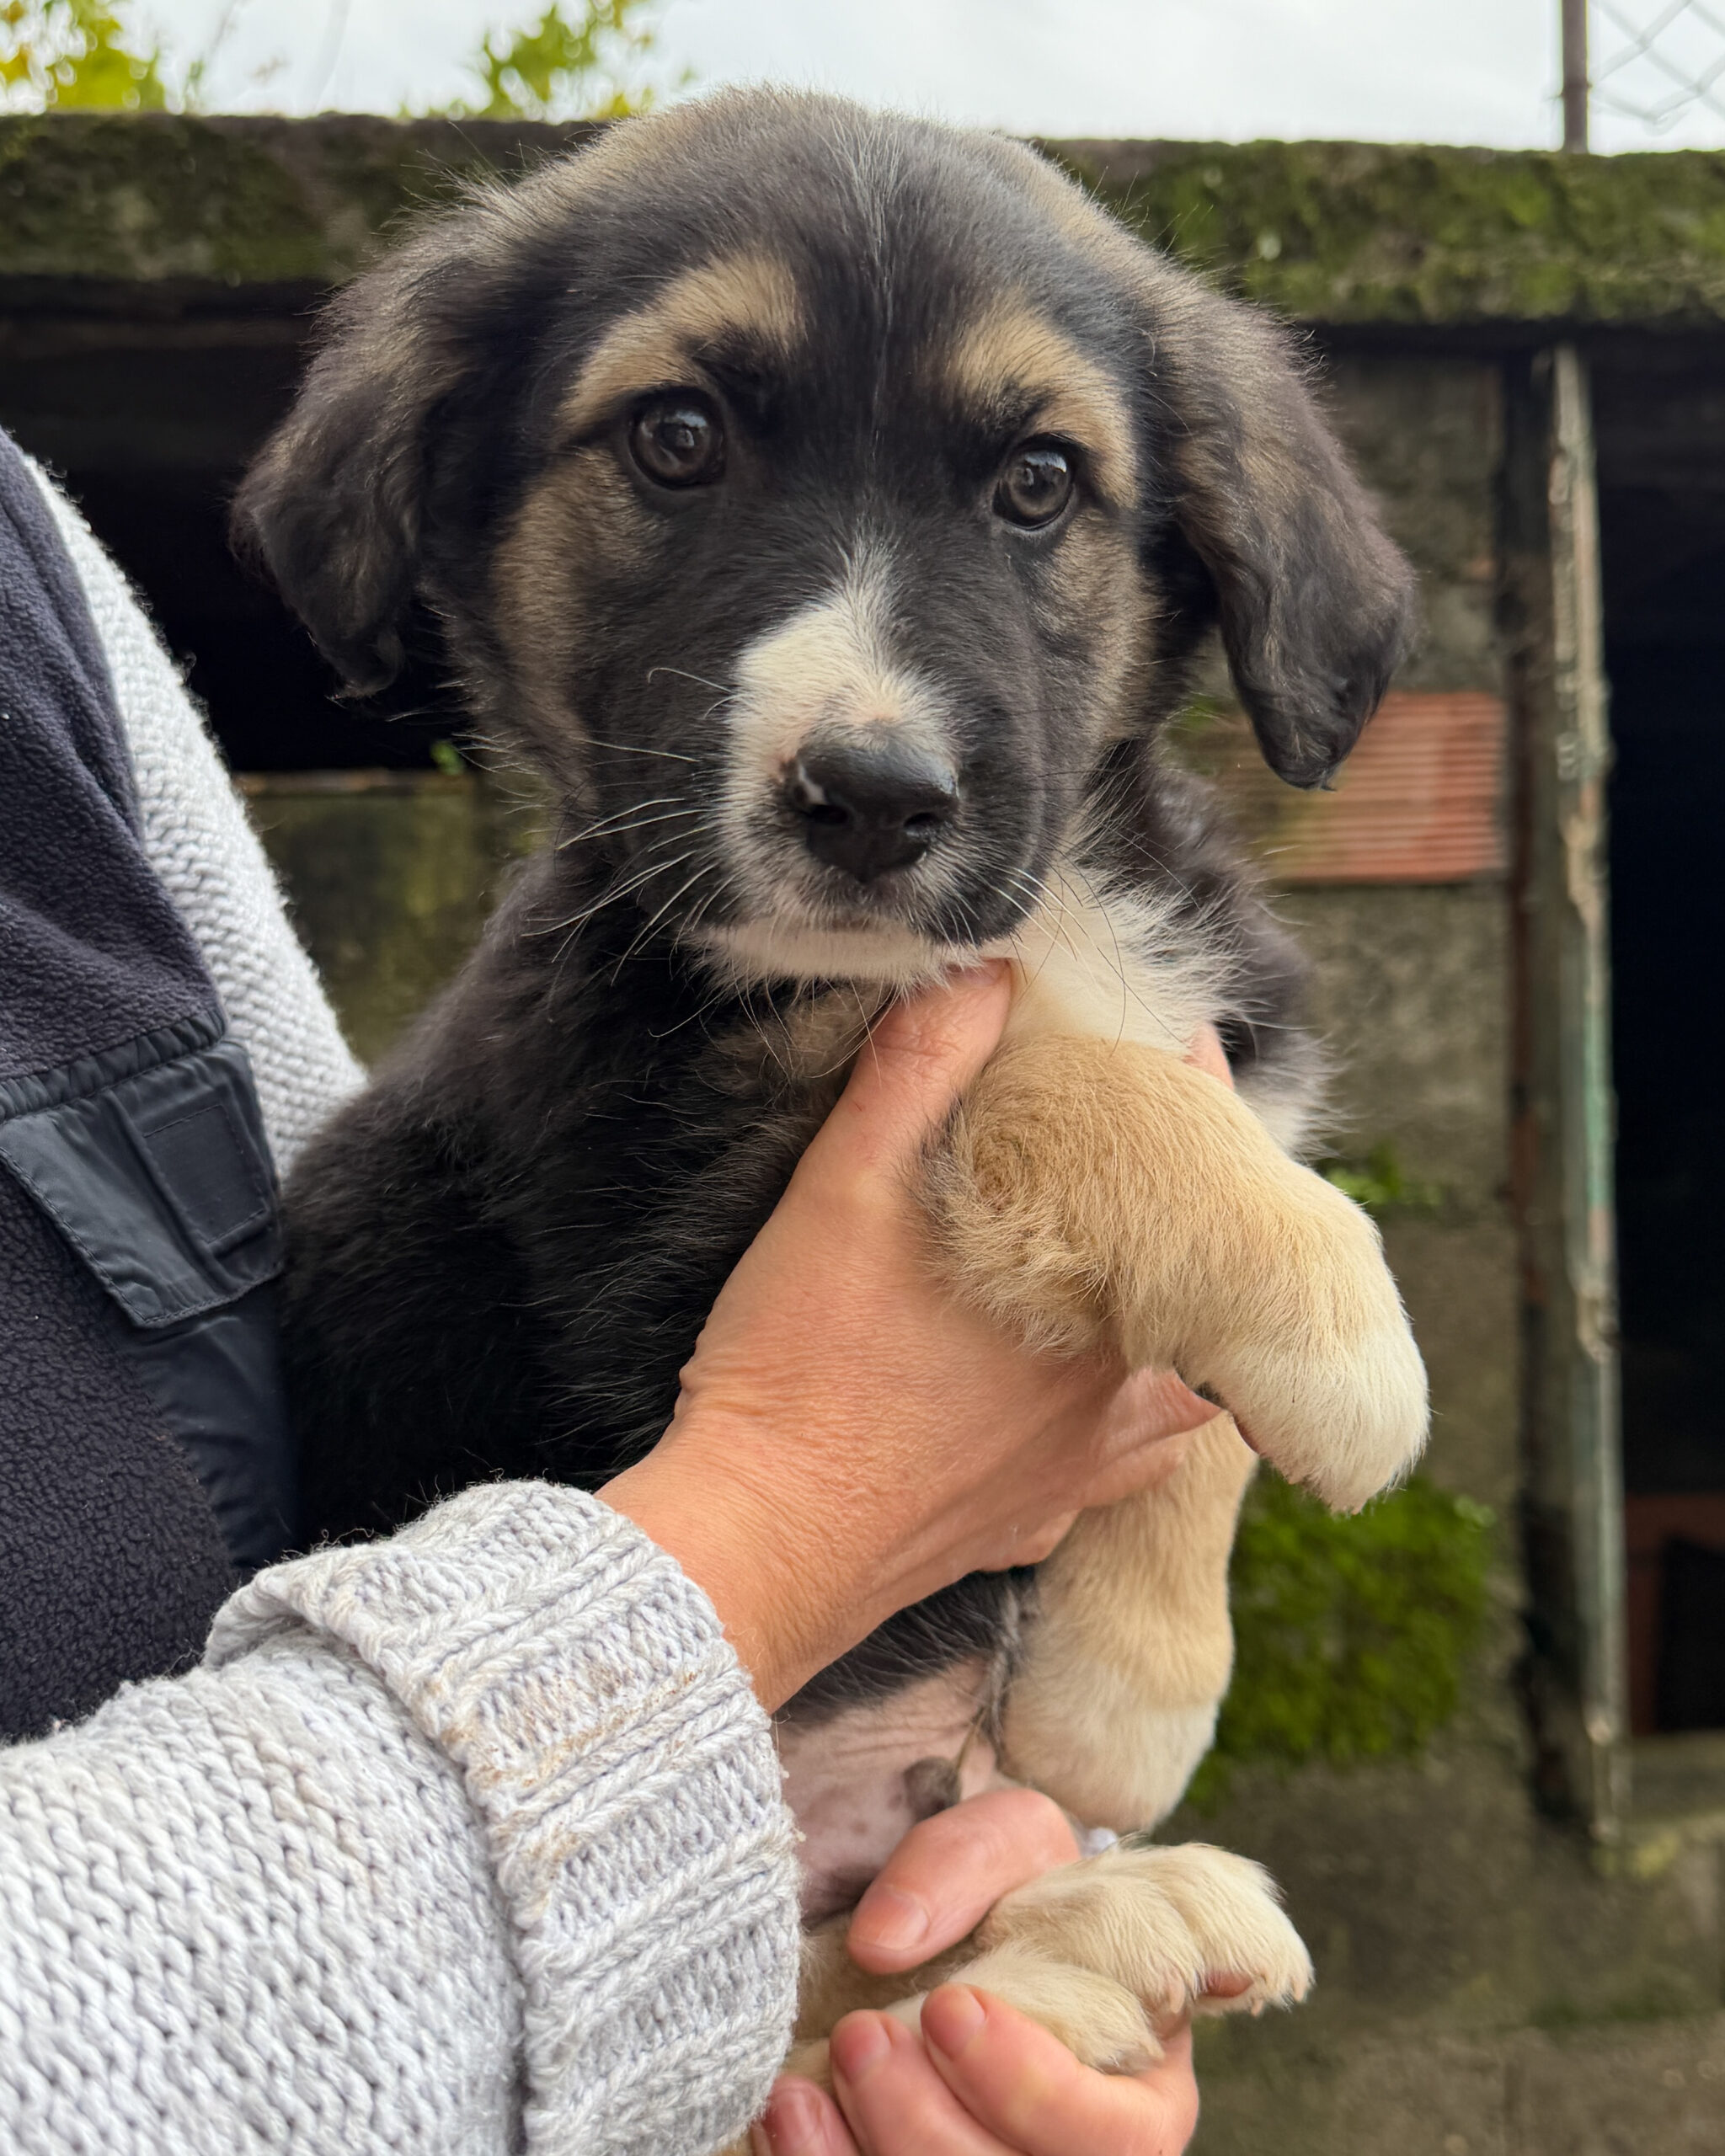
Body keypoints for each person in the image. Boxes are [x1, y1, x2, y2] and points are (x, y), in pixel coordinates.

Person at [0, 427, 1217, 2155]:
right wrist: (762, 1547)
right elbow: (742, 1508)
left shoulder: (26, 572)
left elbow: (319, 1303)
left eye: (1034, 489)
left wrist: (927, 1844)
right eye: (676, 443)